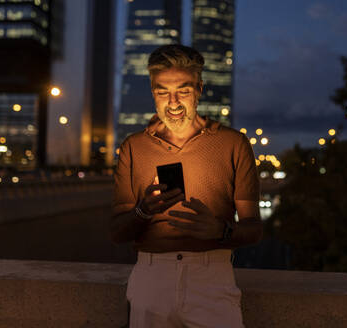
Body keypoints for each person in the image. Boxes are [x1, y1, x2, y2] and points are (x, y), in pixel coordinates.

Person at [110, 44, 263, 328]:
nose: (173, 102)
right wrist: (143, 211)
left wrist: (220, 230)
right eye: (162, 92)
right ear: (152, 92)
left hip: (212, 277)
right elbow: (117, 232)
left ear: (200, 89)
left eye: (183, 90)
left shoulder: (234, 144)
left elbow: (254, 228)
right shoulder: (133, 147)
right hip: (151, 276)